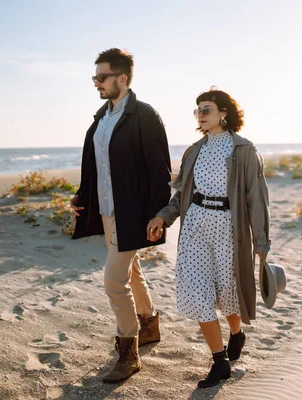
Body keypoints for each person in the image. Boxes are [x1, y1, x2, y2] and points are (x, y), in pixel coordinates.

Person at [146, 88, 270, 388]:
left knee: (228, 294)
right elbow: (183, 195)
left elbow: (257, 199)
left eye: (206, 109)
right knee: (199, 295)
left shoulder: (244, 151)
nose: (200, 115)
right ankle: (219, 361)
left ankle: (237, 334)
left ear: (223, 113)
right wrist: (163, 216)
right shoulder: (194, 151)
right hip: (195, 227)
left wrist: (261, 245)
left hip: (229, 228)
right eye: (197, 110)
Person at [70, 48, 172, 383]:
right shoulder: (101, 117)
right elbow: (97, 167)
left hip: (132, 212)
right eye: (94, 77)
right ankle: (149, 323)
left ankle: (129, 354)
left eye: (102, 77)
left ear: (122, 78)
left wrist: (159, 214)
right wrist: (81, 198)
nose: (96, 83)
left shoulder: (144, 115)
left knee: (114, 280)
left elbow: (159, 170)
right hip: (106, 211)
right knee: (131, 271)